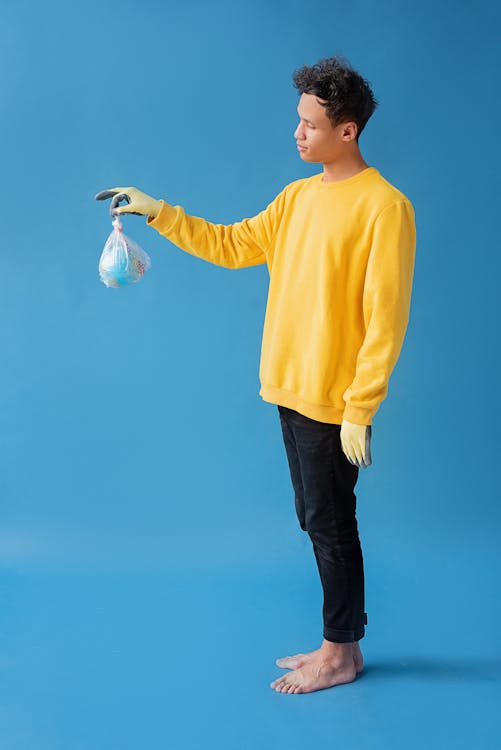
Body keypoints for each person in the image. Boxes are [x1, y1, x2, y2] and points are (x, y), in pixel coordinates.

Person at [95, 55, 416, 695]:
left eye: (309, 123)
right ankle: (342, 646)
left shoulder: (385, 207)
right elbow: (234, 244)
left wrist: (361, 407)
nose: (297, 132)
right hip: (288, 388)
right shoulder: (297, 198)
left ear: (346, 131)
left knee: (330, 523)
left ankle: (338, 652)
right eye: (297, 120)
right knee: (314, 518)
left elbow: (385, 319)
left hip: (333, 400)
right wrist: (158, 211)